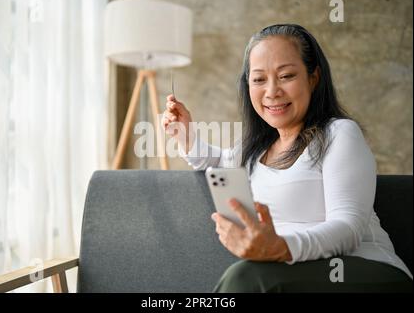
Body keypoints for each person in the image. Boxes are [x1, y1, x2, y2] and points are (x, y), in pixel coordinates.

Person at [161, 24, 412, 292]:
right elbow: (213, 161)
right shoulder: (251, 149)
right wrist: (184, 134)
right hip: (289, 273)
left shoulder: (339, 133)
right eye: (258, 79)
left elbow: (348, 229)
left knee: (245, 277)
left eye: (286, 76)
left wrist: (280, 247)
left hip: (363, 270)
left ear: (313, 78)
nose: (272, 91)